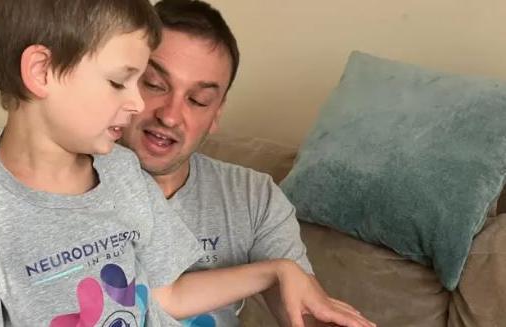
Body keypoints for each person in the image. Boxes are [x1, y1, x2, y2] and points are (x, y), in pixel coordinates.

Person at [0, 1, 373, 326]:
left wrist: (279, 270)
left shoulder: (121, 173)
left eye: (198, 99)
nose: (139, 102)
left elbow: (168, 293)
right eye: (124, 81)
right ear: (41, 71)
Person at [120, 0, 376, 326]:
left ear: (217, 113)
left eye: (198, 100)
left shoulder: (254, 198)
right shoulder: (69, 186)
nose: (170, 115)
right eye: (154, 84)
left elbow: (302, 309)